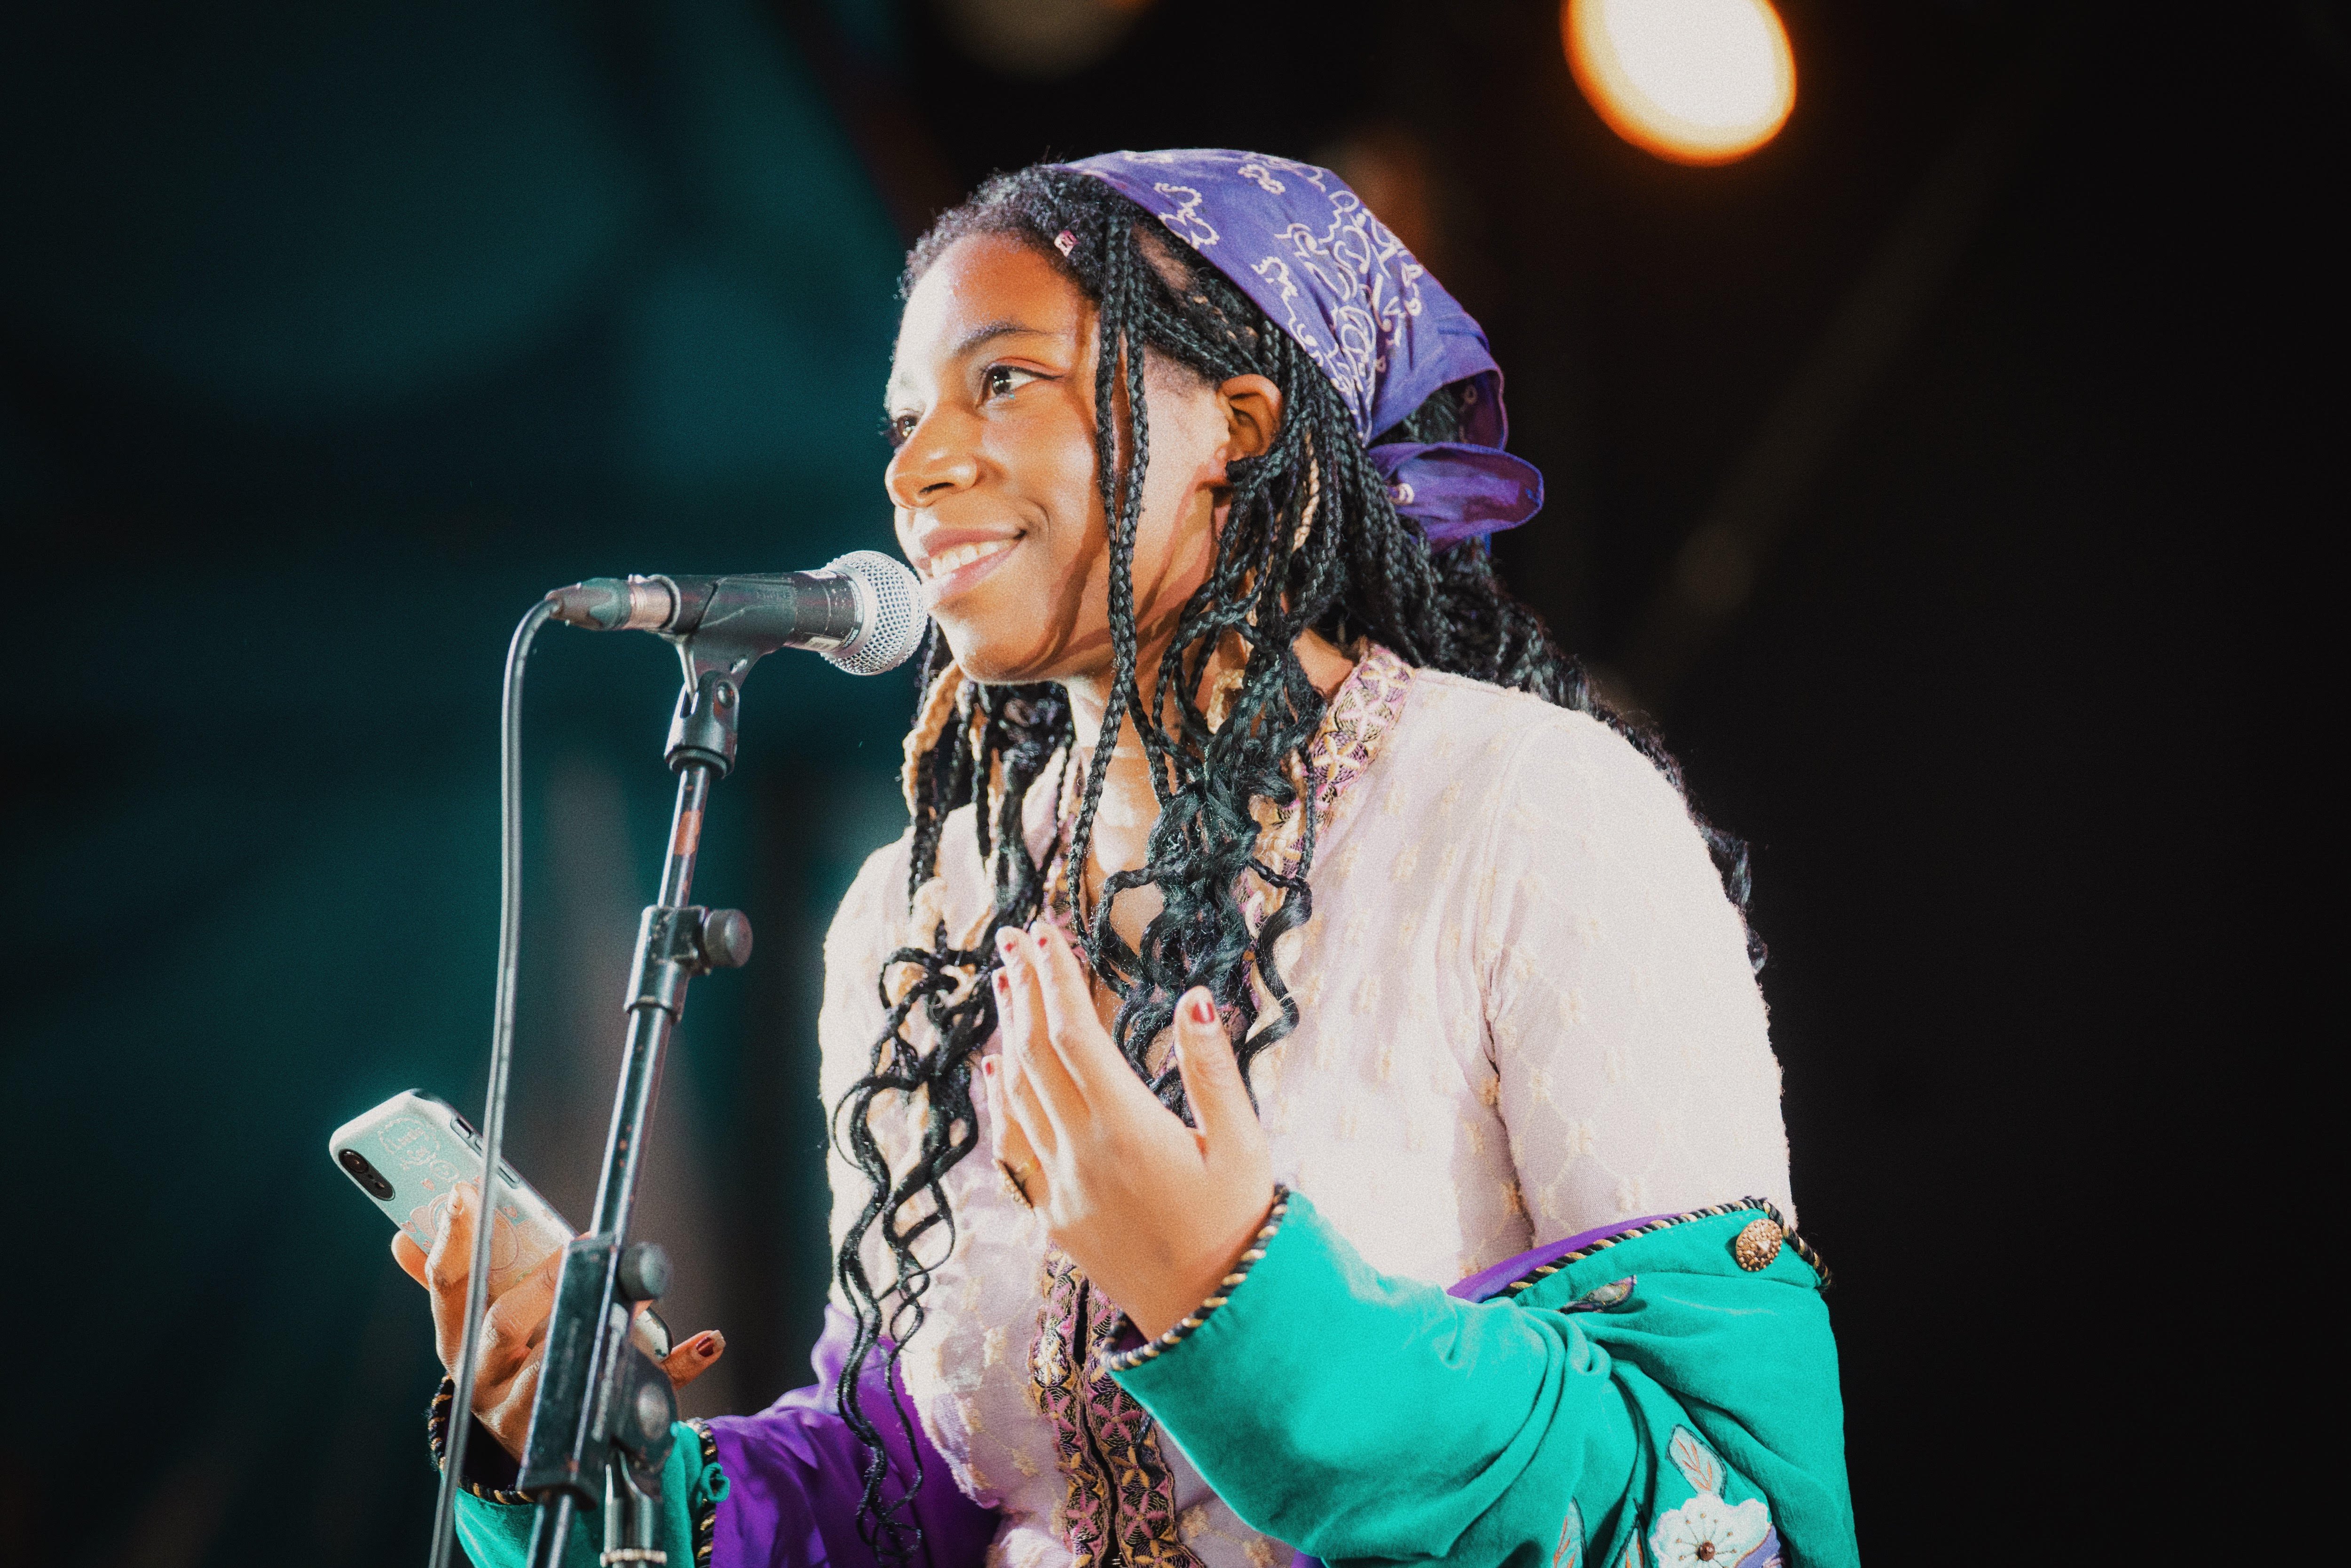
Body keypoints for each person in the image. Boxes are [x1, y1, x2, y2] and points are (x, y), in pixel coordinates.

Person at [412, 150, 1857, 1568]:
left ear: (1236, 419)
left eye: (1005, 381)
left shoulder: (1527, 809)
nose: (921, 468)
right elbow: (911, 1492)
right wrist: (605, 1463)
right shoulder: (916, 912)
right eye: (903, 417)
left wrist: (1238, 1300)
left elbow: (1728, 1507)